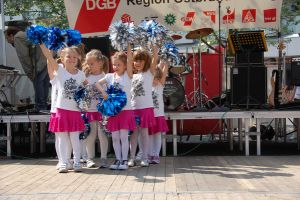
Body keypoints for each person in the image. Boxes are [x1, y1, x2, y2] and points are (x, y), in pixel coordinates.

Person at [40, 44, 87, 173]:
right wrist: (41, 43)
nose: (71, 59)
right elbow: (49, 57)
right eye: (68, 56)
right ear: (62, 58)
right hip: (61, 110)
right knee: (62, 138)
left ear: (78, 58)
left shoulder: (81, 74)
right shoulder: (60, 70)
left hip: (75, 111)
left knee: (75, 138)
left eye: (74, 57)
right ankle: (63, 163)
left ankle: (77, 162)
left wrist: (85, 101)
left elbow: (87, 88)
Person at [95, 45, 136, 170]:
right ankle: (118, 160)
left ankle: (124, 160)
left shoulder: (128, 76)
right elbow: (97, 83)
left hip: (125, 111)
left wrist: (129, 46)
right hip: (113, 112)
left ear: (124, 65)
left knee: (124, 136)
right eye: (114, 64)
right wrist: (104, 92)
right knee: (115, 137)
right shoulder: (109, 77)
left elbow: (130, 61)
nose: (115, 67)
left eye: (118, 65)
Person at [5, 26, 49, 111]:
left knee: (38, 82)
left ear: (11, 35)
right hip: (46, 57)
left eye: (7, 38)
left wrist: (29, 72)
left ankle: (40, 107)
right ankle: (43, 105)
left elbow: (24, 57)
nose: (7, 41)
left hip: (39, 59)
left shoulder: (17, 37)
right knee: (44, 83)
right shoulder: (25, 34)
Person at [128, 45, 158, 167]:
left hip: (146, 108)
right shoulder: (132, 75)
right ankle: (132, 158)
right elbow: (129, 62)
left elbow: (154, 60)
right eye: (136, 60)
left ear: (146, 62)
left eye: (140, 60)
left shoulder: (149, 73)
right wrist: (128, 47)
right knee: (134, 134)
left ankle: (144, 158)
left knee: (144, 133)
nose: (137, 63)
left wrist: (155, 50)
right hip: (134, 108)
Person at [82, 49, 109, 168]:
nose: (89, 66)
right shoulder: (85, 77)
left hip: (102, 110)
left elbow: (110, 93)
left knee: (102, 134)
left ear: (100, 63)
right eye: (88, 63)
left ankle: (104, 158)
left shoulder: (106, 76)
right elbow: (81, 93)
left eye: (92, 63)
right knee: (91, 134)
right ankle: (89, 158)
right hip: (90, 110)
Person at [148, 60, 169, 164]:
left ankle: (156, 155)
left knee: (157, 136)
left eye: (156, 78)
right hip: (150, 116)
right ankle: (150, 154)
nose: (154, 81)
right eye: (153, 78)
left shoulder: (160, 86)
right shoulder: (147, 86)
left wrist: (165, 64)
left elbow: (163, 73)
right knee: (150, 136)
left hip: (159, 115)